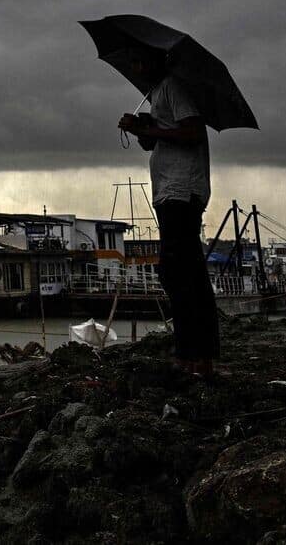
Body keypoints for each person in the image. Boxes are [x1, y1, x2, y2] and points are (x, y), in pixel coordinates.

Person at [117, 50, 218, 376]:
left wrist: (153, 129)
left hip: (181, 191)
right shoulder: (158, 93)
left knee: (182, 271)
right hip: (169, 191)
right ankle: (193, 352)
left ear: (157, 61)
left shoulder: (174, 87)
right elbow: (155, 143)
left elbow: (191, 132)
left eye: (140, 60)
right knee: (179, 271)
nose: (136, 66)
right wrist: (141, 128)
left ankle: (196, 355)